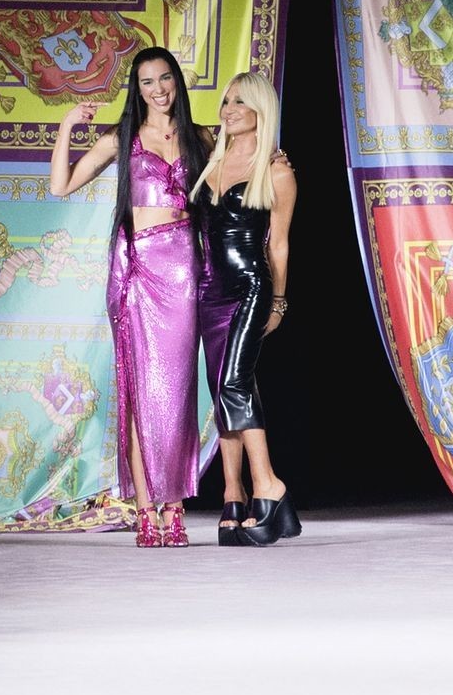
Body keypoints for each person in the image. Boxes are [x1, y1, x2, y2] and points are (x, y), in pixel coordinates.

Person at [50, 48, 211, 548]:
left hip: (184, 272)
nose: (158, 89)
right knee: (141, 393)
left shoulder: (201, 137)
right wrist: (67, 126)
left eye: (165, 79)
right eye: (147, 82)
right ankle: (146, 509)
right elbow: (61, 185)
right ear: (136, 89)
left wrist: (273, 158)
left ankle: (175, 506)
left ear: (176, 82)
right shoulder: (122, 138)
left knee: (177, 393)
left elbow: (242, 170)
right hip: (140, 271)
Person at [190, 72, 299, 547]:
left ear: (260, 109)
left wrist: (279, 301)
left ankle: (269, 487)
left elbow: (279, 245)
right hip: (208, 290)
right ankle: (233, 495)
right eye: (226, 101)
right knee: (226, 390)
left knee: (234, 383)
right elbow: (171, 122)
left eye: (240, 102)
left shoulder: (276, 170)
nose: (229, 109)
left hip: (251, 288)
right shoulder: (209, 155)